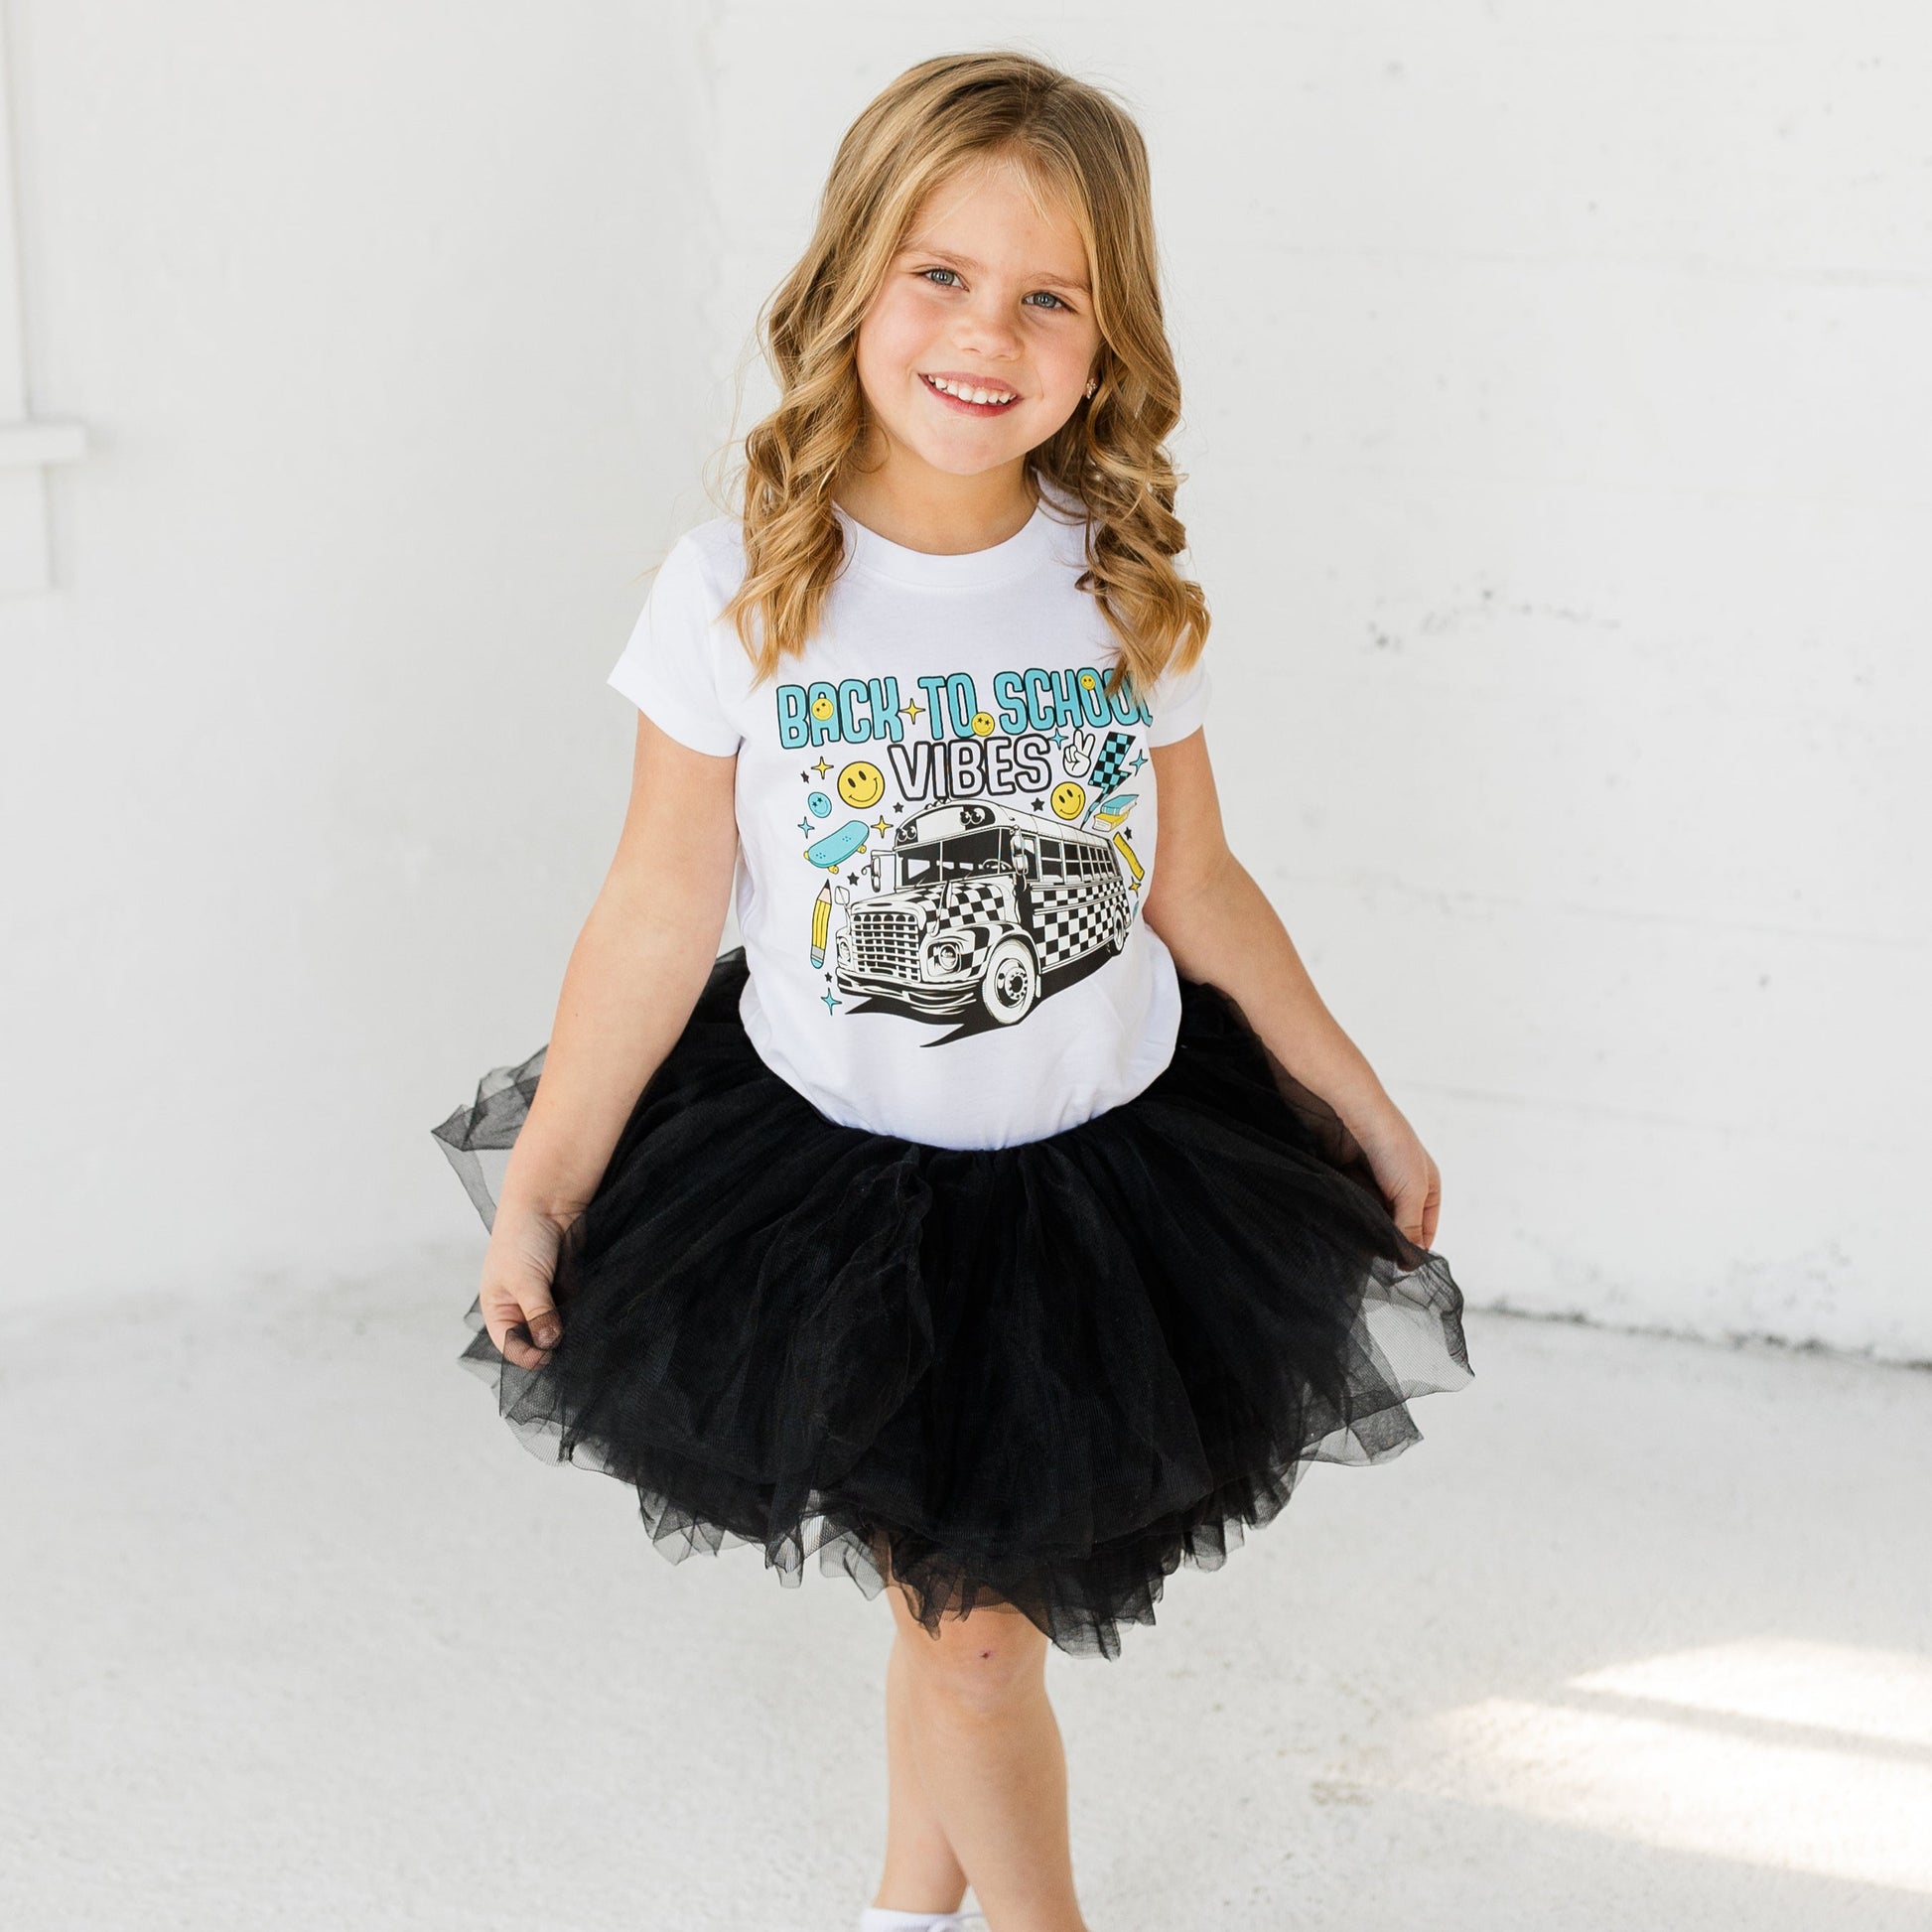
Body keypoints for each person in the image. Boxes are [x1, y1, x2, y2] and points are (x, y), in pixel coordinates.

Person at [432, 50, 1473, 1932]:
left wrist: (1360, 1098)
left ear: (1104, 337)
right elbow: (657, 911)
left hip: (1106, 1194)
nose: (986, 331)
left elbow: (1199, 885)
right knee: (978, 1635)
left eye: (1046, 294)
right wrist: (548, 1176)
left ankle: (911, 1906)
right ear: (847, 285)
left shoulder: (1117, 589)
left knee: (960, 1612)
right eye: (941, 273)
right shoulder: (743, 586)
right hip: (840, 1201)